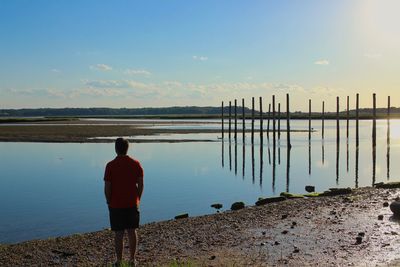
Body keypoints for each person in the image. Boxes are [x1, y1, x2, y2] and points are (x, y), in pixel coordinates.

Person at [104, 138, 144, 266]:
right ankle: (132, 260)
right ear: (127, 148)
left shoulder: (110, 165)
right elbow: (141, 184)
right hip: (132, 203)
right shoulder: (136, 163)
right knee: (132, 231)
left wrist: (108, 201)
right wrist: (138, 198)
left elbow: (107, 187)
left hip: (116, 204)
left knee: (119, 234)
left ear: (116, 149)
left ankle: (119, 261)